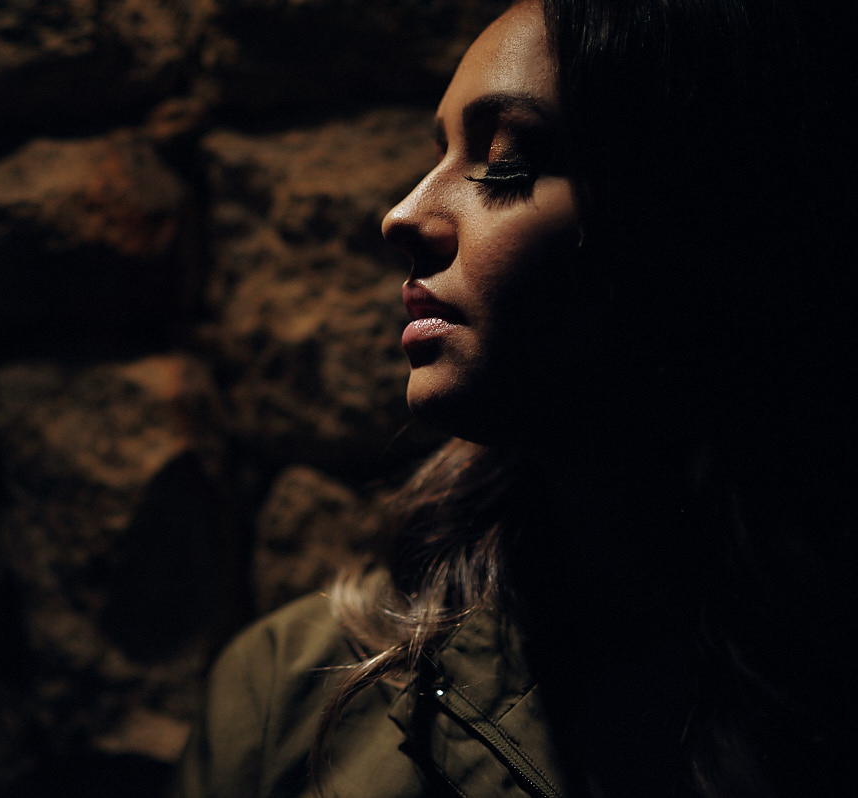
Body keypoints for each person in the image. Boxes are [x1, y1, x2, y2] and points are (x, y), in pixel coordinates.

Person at [173, 0, 858, 795]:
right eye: (439, 153)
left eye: (504, 160)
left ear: (707, 215)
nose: (403, 214)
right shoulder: (287, 698)